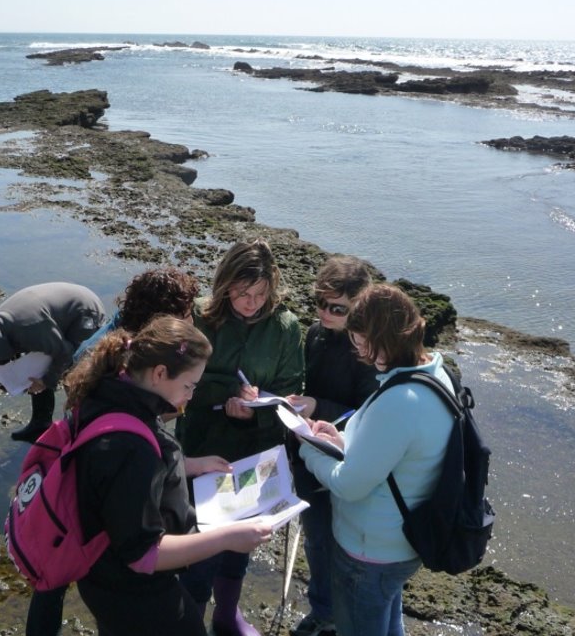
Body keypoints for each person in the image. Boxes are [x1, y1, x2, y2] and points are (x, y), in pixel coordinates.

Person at [66, 316, 272, 636]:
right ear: (160, 373)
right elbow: (143, 554)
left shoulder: (114, 393)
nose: (191, 396)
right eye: (189, 386)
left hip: (100, 577)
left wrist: (189, 465)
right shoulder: (129, 447)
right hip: (132, 592)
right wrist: (230, 538)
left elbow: (118, 483)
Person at [27, 267, 200, 636]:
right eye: (185, 314)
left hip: (87, 474)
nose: (191, 321)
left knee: (57, 569)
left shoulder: (118, 345)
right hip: (97, 499)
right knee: (57, 568)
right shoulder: (127, 365)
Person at [299, 284, 454, 636]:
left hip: (369, 552)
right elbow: (399, 452)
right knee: (387, 621)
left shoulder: (400, 401)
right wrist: (340, 439)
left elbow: (348, 486)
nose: (359, 353)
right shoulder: (435, 375)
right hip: (402, 542)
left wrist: (309, 450)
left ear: (380, 339)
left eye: (360, 342)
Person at [177, 239, 305, 636]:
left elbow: (290, 392)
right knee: (198, 541)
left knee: (240, 543)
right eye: (243, 293)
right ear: (225, 283)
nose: (251, 303)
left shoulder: (286, 328)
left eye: (260, 294)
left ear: (272, 287)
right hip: (201, 444)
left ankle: (226, 615)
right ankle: (190, 620)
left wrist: (256, 413)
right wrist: (224, 396)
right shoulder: (200, 316)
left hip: (257, 450)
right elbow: (177, 381)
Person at [284, 255, 380, 636]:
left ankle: (344, 617)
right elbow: (306, 385)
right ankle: (324, 611)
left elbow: (370, 415)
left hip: (348, 464)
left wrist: (318, 406)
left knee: (351, 551)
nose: (325, 312)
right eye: (320, 303)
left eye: (336, 308)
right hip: (308, 457)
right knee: (318, 541)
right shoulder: (315, 334)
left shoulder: (371, 351)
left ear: (360, 304)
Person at [0, 282, 106, 442]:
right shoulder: (0, 325)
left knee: (74, 371)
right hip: (51, 319)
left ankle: (84, 428)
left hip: (85, 312)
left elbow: (65, 352)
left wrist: (47, 381)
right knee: (36, 371)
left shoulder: (29, 329)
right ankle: (41, 424)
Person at [72, 266, 200, 362]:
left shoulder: (135, 322)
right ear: (161, 320)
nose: (191, 323)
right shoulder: (102, 355)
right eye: (186, 316)